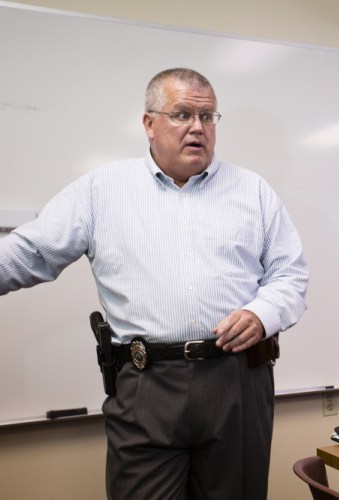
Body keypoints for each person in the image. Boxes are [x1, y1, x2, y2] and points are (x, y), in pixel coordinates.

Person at [0, 68, 308, 499]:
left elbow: (290, 274)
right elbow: (26, 253)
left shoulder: (252, 190)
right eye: (182, 114)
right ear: (149, 123)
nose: (198, 128)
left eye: (208, 117)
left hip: (236, 379)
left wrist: (262, 313)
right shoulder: (101, 190)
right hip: (147, 385)